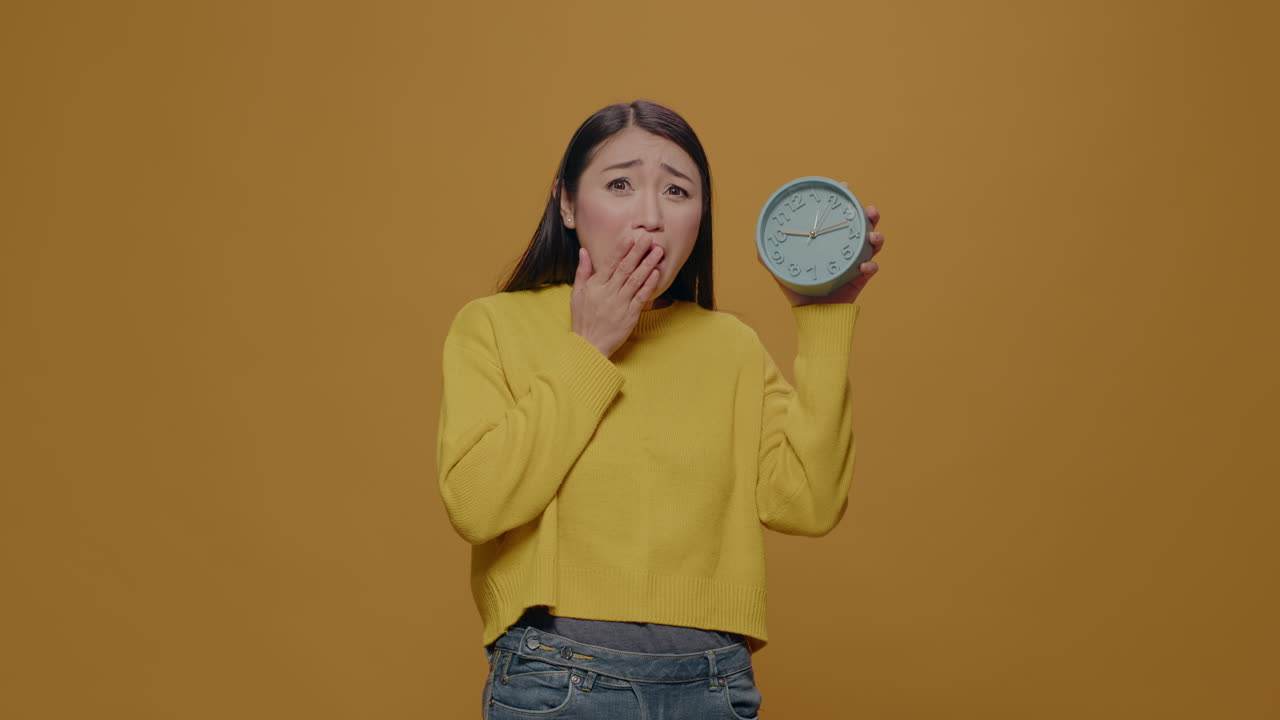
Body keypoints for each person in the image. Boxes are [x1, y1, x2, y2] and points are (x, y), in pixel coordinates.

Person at [437, 99, 884, 719]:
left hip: (714, 685)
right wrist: (590, 347)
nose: (650, 216)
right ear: (568, 204)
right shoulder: (493, 326)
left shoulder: (731, 346)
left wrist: (824, 314)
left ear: (700, 218)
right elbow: (476, 504)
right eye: (620, 184)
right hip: (557, 679)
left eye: (677, 191)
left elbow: (809, 503)